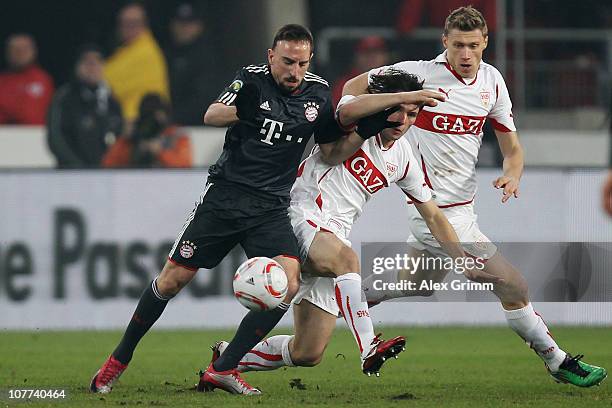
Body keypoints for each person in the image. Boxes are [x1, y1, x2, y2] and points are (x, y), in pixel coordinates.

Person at [90, 24, 441, 396]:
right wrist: (246, 113)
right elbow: (212, 115)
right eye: (288, 61)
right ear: (272, 56)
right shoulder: (252, 80)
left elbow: (332, 151)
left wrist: (361, 133)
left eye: (302, 63)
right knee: (172, 280)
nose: (295, 71)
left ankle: (224, 368)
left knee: (288, 285)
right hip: (226, 197)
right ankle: (119, 359)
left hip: (272, 206)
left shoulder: (317, 93)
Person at [344, 6, 607, 388]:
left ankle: (343, 298)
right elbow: (352, 89)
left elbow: (512, 149)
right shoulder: (418, 74)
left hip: (463, 208)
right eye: (458, 46)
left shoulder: (492, 81)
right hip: (434, 211)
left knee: (417, 283)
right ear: (444, 43)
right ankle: (558, 361)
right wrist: (389, 110)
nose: (466, 55)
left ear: (485, 43)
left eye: (473, 46)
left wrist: (511, 174)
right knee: (513, 286)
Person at [207, 69, 497, 378]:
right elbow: (346, 107)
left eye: (412, 113)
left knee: (307, 352)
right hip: (300, 215)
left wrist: (460, 257)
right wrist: (401, 97)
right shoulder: (354, 123)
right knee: (348, 261)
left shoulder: (405, 158)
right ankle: (369, 347)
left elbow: (434, 214)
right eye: (396, 110)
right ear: (381, 104)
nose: (402, 120)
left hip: (333, 237)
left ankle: (226, 361)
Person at [46, 44, 123, 168]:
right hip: (71, 176)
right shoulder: (64, 98)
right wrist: (79, 168)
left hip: (106, 177)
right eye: (86, 61)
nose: (92, 66)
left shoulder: (112, 101)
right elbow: (56, 140)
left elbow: (119, 139)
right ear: (77, 66)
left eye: (97, 62)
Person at [104, 2, 170, 123]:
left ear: (144, 25)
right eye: (124, 23)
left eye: (134, 23)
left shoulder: (146, 52)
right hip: (124, 120)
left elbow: (108, 85)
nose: (129, 28)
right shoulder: (125, 51)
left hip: (140, 122)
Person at [165, 3, 225, 125]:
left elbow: (204, 98)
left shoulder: (207, 57)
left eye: (189, 24)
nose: (184, 28)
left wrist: (172, 118)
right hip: (174, 126)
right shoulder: (166, 54)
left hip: (200, 128)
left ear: (199, 26)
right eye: (180, 23)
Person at [101, 93, 192, 168]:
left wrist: (160, 152)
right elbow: (108, 165)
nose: (152, 123)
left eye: (157, 117)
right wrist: (126, 140)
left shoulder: (175, 134)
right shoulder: (136, 135)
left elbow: (184, 165)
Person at [0, 33, 54, 125]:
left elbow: (32, 115)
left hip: (34, 135)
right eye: (15, 49)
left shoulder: (43, 79)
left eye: (24, 49)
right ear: (7, 52)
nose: (20, 53)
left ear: (34, 51)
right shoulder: (2, 81)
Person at [331, 36, 390, 106]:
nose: (371, 57)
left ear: (386, 56)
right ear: (356, 57)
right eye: (366, 53)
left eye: (376, 52)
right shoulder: (345, 84)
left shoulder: (395, 81)